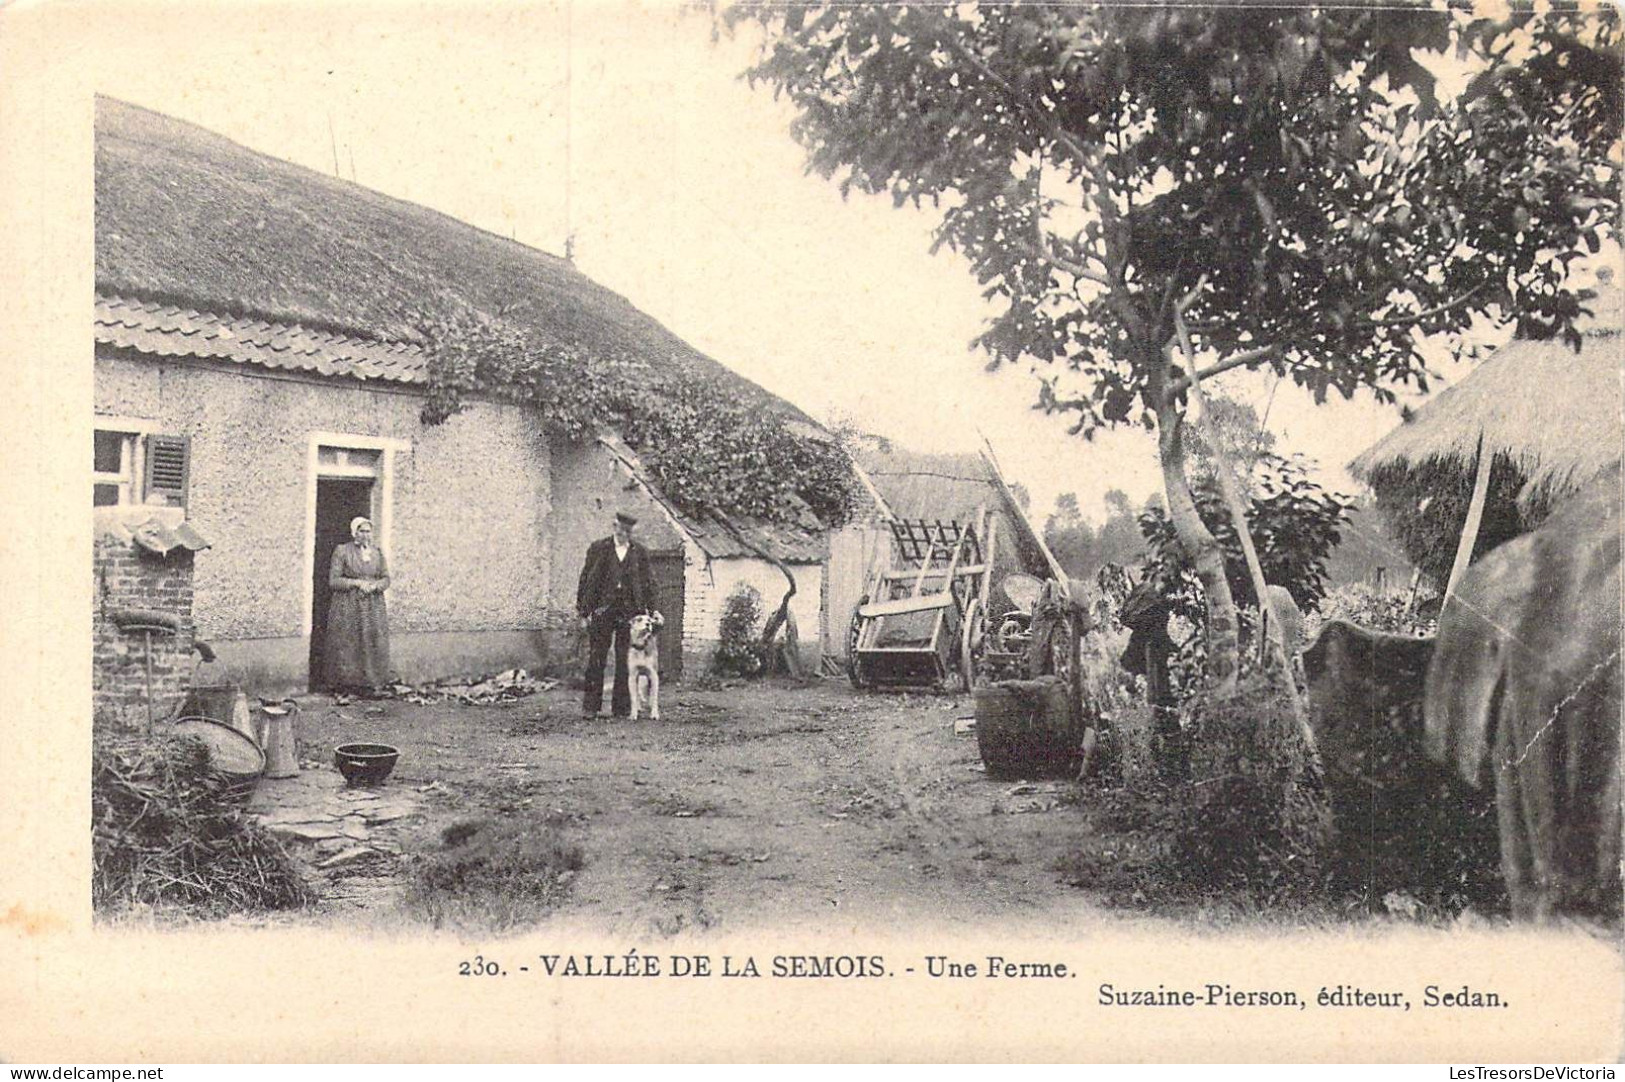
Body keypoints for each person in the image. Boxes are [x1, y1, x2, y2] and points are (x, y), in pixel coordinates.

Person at [577, 510, 652, 718]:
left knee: (624, 659)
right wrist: (583, 612)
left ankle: (621, 707)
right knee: (597, 657)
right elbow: (585, 580)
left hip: (629, 613)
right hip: (602, 610)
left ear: (631, 532)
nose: (624, 534)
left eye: (628, 531)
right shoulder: (598, 548)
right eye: (621, 529)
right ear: (614, 526)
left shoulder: (640, 553)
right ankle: (591, 707)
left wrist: (653, 609)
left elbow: (649, 584)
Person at [325, 516, 393, 695]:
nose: (366, 535)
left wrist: (376, 586)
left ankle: (369, 684)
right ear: (354, 532)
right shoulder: (342, 551)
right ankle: (345, 686)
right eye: (362, 531)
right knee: (349, 642)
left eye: (368, 531)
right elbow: (334, 581)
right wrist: (356, 583)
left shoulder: (377, 552)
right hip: (348, 605)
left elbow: (386, 578)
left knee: (371, 641)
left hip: (372, 605)